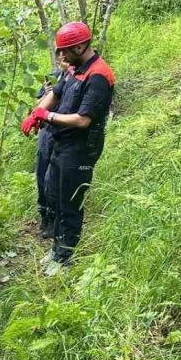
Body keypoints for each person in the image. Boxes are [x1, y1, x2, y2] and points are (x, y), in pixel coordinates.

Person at [21, 22, 115, 273]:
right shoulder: (75, 69)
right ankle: (56, 249)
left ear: (81, 46)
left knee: (70, 203)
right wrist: (37, 111)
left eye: (65, 51)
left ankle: (64, 258)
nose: (61, 57)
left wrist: (48, 117)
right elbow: (58, 93)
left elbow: (83, 120)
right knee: (54, 196)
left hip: (81, 148)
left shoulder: (98, 76)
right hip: (61, 144)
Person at [35, 56, 72, 240]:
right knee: (42, 171)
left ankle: (57, 215)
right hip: (47, 130)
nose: (63, 59)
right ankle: (45, 216)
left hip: (65, 129)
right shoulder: (52, 77)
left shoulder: (79, 76)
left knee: (56, 174)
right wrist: (46, 95)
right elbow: (38, 103)